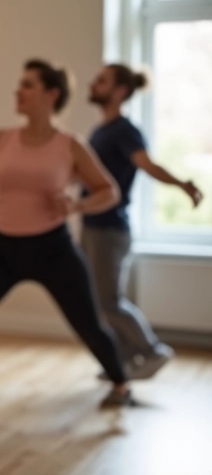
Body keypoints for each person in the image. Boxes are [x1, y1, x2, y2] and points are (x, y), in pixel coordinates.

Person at [0, 59, 131, 421]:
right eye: (20, 85)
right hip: (3, 250)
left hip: (54, 250)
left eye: (28, 85)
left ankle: (121, 385)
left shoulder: (70, 145)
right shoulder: (1, 139)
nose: (18, 91)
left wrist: (77, 204)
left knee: (90, 326)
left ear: (51, 95)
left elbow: (108, 191)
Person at [82, 64, 203, 379]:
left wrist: (182, 185)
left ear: (120, 91)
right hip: (92, 225)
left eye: (102, 80)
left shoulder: (124, 131)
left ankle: (151, 351)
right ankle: (120, 362)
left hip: (110, 229)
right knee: (98, 302)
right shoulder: (100, 131)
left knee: (110, 301)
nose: (94, 83)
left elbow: (147, 165)